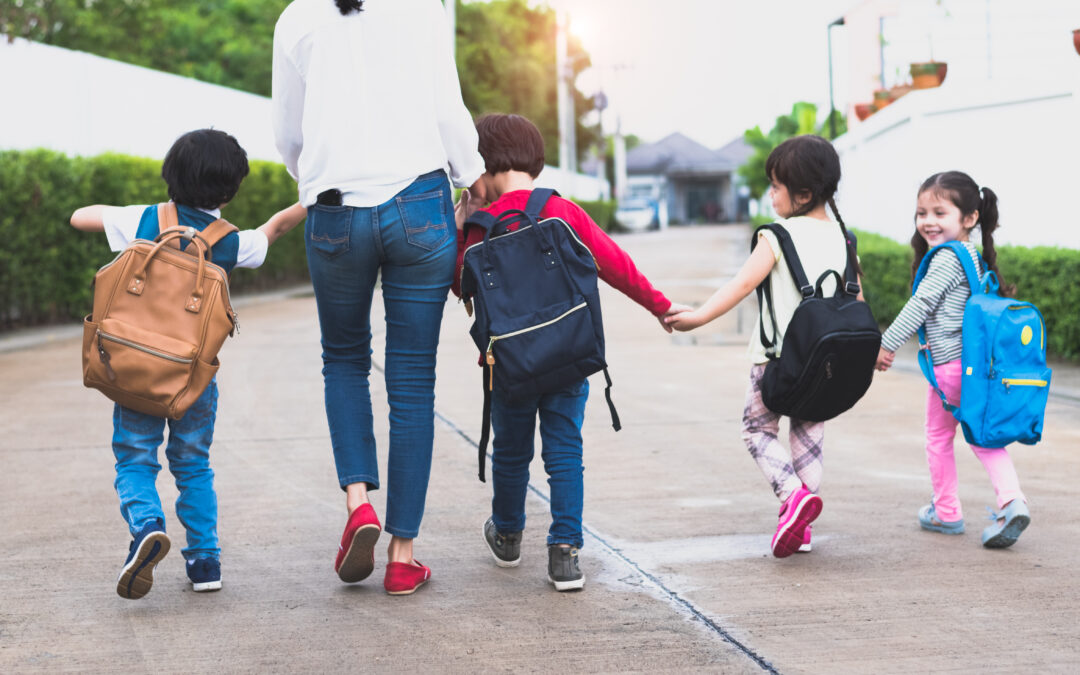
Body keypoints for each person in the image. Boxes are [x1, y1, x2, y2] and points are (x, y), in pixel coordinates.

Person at [271, 0, 488, 595]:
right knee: (412, 379)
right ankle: (402, 553)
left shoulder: (297, 18)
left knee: (343, 358)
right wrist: (471, 173)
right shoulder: (422, 7)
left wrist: (315, 177)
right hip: (418, 204)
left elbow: (289, 134)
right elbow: (448, 108)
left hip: (335, 209)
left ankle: (358, 503)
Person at [452, 113, 684, 591]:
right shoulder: (563, 211)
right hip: (568, 355)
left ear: (486, 162)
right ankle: (565, 553)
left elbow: (460, 286)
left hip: (508, 366)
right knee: (564, 449)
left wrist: (460, 224)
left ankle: (509, 537)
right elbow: (615, 265)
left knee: (511, 452)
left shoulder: (480, 226)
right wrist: (659, 306)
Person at [69, 128, 300, 599]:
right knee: (193, 465)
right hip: (191, 379)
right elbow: (274, 229)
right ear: (231, 190)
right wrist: (312, 198)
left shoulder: (144, 220)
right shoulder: (232, 242)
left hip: (134, 370)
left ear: (170, 174)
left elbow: (79, 218)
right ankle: (204, 562)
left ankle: (146, 527)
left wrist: (119, 216)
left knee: (134, 458)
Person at [665, 135, 858, 558]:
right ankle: (803, 528)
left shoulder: (776, 236)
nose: (771, 195)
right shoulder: (845, 238)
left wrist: (697, 317)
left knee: (757, 431)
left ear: (803, 193)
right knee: (808, 438)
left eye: (776, 186)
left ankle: (792, 497)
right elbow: (855, 299)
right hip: (825, 363)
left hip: (775, 361)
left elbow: (742, 285)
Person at [875, 171, 1030, 548]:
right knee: (983, 438)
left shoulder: (946, 259)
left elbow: (922, 303)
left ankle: (948, 510)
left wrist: (886, 343)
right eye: (921, 213)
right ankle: (1011, 501)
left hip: (950, 369)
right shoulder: (972, 257)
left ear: (969, 218)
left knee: (940, 437)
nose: (927, 221)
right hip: (972, 369)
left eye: (939, 213)